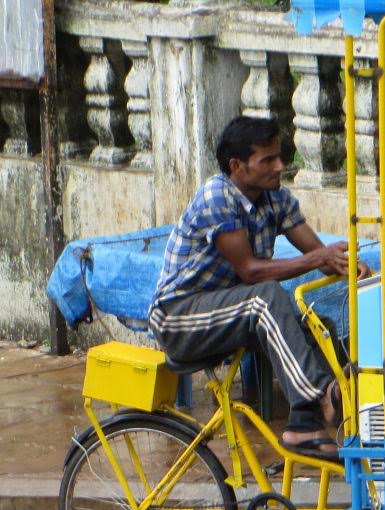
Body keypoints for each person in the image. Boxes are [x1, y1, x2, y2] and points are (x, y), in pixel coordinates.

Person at [148, 115, 369, 460]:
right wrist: (317, 259)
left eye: (279, 156)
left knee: (314, 325)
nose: (280, 166)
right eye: (268, 160)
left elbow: (316, 254)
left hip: (228, 312)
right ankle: (323, 394)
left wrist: (349, 266)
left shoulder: (275, 198)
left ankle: (302, 422)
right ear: (237, 166)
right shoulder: (216, 196)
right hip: (177, 319)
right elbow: (250, 272)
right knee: (264, 298)